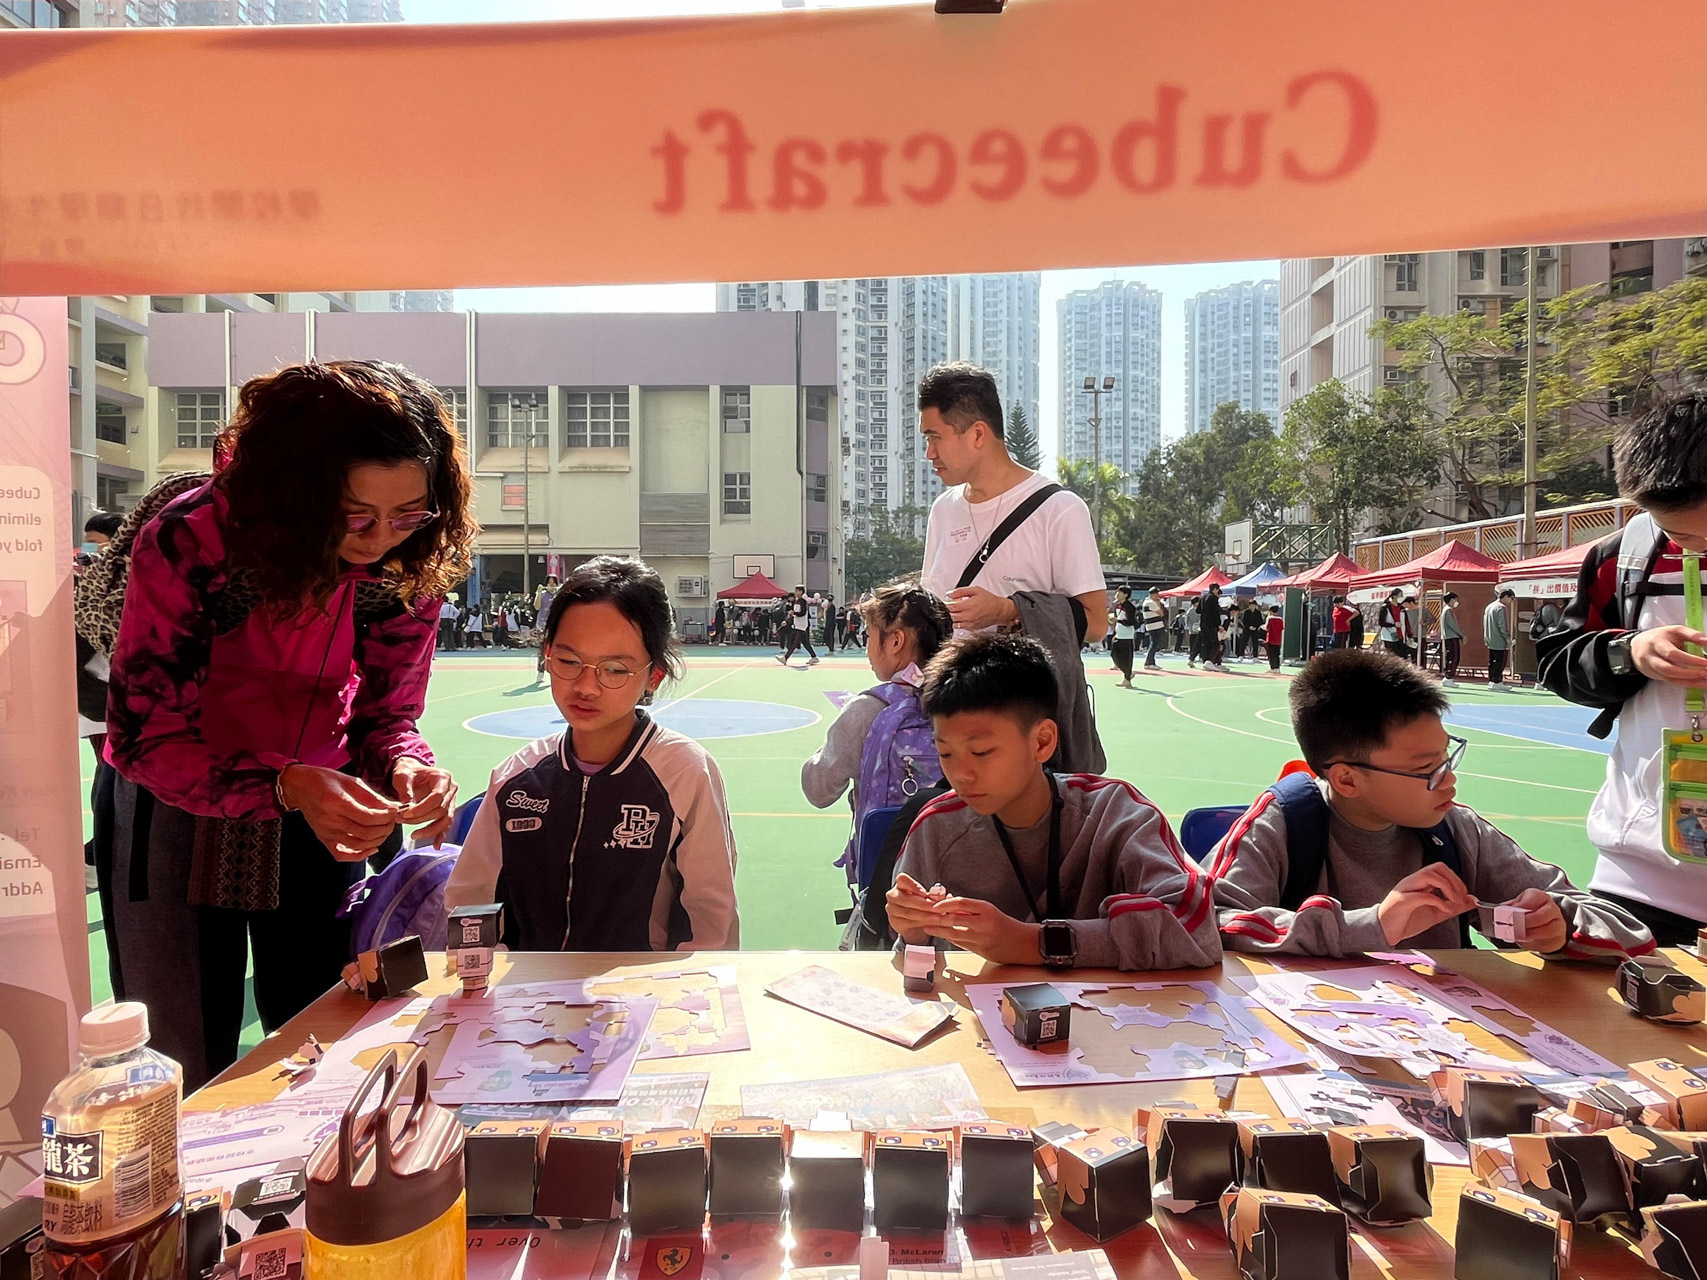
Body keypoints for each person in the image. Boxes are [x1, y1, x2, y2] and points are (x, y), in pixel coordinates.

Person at [104, 359, 473, 1089]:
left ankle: (314, 1193)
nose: (379, 539)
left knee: (331, 1029)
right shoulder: (193, 540)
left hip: (323, 801)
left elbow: (386, 711)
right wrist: (282, 784)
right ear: (295, 491)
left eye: (408, 513)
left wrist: (403, 763)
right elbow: (146, 733)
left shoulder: (406, 561)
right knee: (181, 1047)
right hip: (175, 804)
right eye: (355, 515)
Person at [1209, 649, 1653, 960]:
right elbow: (1208, 924)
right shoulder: (1284, 826)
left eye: (1447, 756)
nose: (1450, 780)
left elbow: (1627, 931)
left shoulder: (1456, 832)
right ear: (1346, 779)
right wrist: (1372, 924)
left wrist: (1559, 928)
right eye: (1427, 768)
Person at [446, 556, 740, 951]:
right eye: (568, 661)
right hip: (523, 1005)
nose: (586, 686)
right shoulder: (516, 776)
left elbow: (711, 923)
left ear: (654, 675)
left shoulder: (685, 772)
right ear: (546, 654)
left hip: (639, 1004)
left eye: (615, 669)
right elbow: (470, 901)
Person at [884, 633, 1219, 969]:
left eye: (982, 751)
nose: (961, 774)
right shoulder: (936, 828)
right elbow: (913, 968)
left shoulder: (1115, 813)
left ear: (1042, 742)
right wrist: (913, 929)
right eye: (945, 752)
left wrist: (1030, 942)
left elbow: (1195, 926)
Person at [1538, 390, 1707, 944]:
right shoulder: (1621, 559)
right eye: (1683, 535)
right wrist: (1630, 652)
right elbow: (1559, 662)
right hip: (1642, 879)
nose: (1700, 546)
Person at [915, 362, 1107, 771]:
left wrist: (1009, 611)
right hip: (951, 731)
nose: (929, 452)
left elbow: (1095, 623)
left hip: (1027, 736)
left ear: (978, 433)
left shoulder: (1059, 509)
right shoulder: (943, 511)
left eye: (934, 437)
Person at [802, 580, 952, 872]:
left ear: (895, 641)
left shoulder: (866, 710)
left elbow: (819, 790)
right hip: (959, 861)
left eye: (869, 635)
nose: (867, 647)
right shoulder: (967, 702)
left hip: (889, 873)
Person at [778, 584, 820, 666]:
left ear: (801, 592)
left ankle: (785, 658)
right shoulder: (796, 601)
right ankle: (814, 657)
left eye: (798, 590)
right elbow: (795, 614)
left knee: (795, 643)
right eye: (795, 590)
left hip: (801, 625)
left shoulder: (803, 601)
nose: (796, 592)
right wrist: (787, 621)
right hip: (797, 624)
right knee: (805, 643)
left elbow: (802, 613)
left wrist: (794, 613)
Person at [1485, 587, 1515, 688]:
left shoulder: (1489, 606)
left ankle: (1492, 680)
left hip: (1490, 638)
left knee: (1492, 661)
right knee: (1500, 661)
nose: (1511, 601)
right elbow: (1503, 625)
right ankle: (1497, 681)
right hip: (1499, 640)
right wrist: (1508, 638)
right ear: (1506, 596)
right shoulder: (1501, 608)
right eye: (1511, 598)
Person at [1109, 586, 1137, 688]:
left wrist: (1118, 621)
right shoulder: (1117, 606)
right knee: (1114, 655)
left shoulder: (1129, 607)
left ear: (1125, 595)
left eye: (1120, 592)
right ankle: (1128, 673)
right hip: (1118, 633)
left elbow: (1131, 622)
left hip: (1127, 635)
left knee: (1126, 658)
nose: (1117, 593)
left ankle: (1127, 679)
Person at [1197, 583, 1227, 672]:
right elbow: (1215, 613)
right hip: (1211, 624)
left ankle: (1205, 661)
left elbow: (1198, 610)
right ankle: (1209, 661)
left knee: (1205, 643)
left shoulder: (1203, 597)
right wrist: (1218, 624)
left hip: (1203, 624)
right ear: (1215, 589)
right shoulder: (1213, 598)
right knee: (1215, 643)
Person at [1439, 591, 1464, 684]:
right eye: (1456, 599)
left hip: (1449, 637)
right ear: (1452, 599)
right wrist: (1461, 634)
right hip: (1452, 637)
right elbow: (1453, 625)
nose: (1457, 601)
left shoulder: (1446, 609)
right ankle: (1449, 677)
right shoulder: (1448, 610)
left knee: (1451, 656)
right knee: (1454, 657)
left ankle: (1448, 676)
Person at [1140, 586, 1167, 670]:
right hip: (1155, 626)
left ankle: (1151, 662)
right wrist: (1158, 603)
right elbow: (1161, 613)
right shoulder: (1151, 602)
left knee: (1154, 644)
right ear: (1154, 594)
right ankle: (1149, 662)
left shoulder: (1146, 601)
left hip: (1153, 626)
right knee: (1154, 645)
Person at [1378, 588, 1409, 660]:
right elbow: (1381, 622)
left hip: (1401, 636)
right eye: (1400, 595)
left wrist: (1408, 633)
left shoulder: (1402, 608)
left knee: (1402, 657)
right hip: (1390, 636)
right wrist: (1394, 625)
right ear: (1394, 596)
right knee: (1393, 657)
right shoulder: (1386, 607)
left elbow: (1406, 621)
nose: (1402, 597)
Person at [1265, 605, 1285, 672]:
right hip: (1278, 639)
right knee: (1277, 654)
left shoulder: (1269, 618)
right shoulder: (1281, 619)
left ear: (1271, 611)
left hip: (1271, 638)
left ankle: (1272, 668)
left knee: (1271, 654)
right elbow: (1282, 628)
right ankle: (1277, 668)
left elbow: (1267, 628)